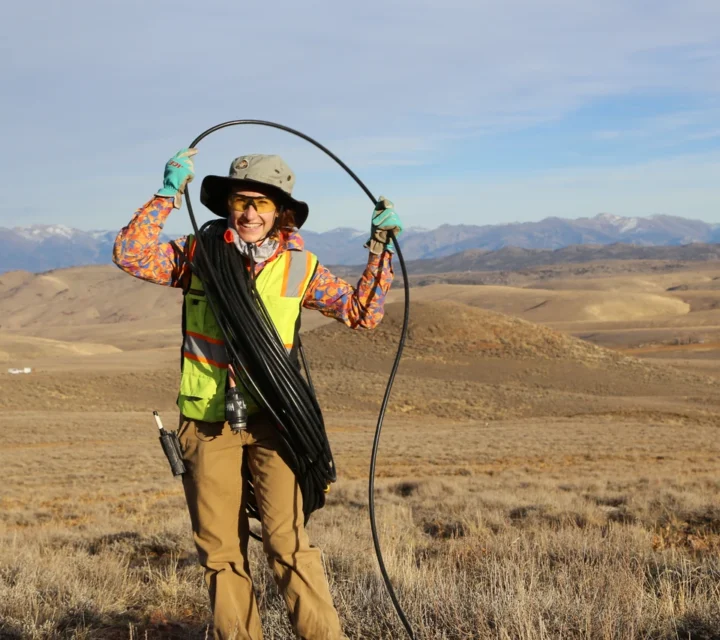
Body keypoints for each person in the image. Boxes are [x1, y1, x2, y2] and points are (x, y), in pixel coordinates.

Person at [113, 148, 403, 640]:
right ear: (228, 204)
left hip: (278, 420)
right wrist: (167, 194)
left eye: (261, 203)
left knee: (289, 544)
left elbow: (362, 312)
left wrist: (379, 248)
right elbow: (132, 255)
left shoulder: (300, 266)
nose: (249, 213)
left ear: (279, 211)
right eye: (240, 201)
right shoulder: (198, 255)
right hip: (207, 423)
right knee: (221, 553)